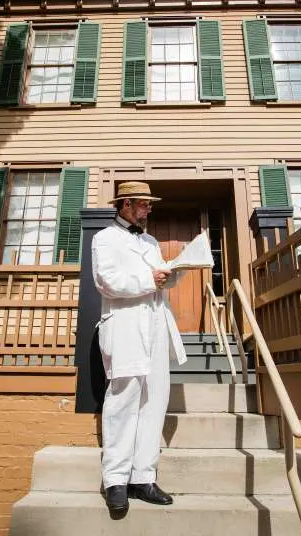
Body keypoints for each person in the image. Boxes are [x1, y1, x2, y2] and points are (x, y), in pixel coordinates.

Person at [91, 181, 187, 515]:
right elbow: (107, 281)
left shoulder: (149, 241)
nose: (149, 210)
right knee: (123, 402)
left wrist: (172, 275)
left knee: (155, 402)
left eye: (149, 205)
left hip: (156, 325)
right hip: (126, 327)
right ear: (127, 204)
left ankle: (143, 477)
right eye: (144, 204)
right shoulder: (103, 239)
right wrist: (152, 280)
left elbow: (159, 279)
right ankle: (116, 480)